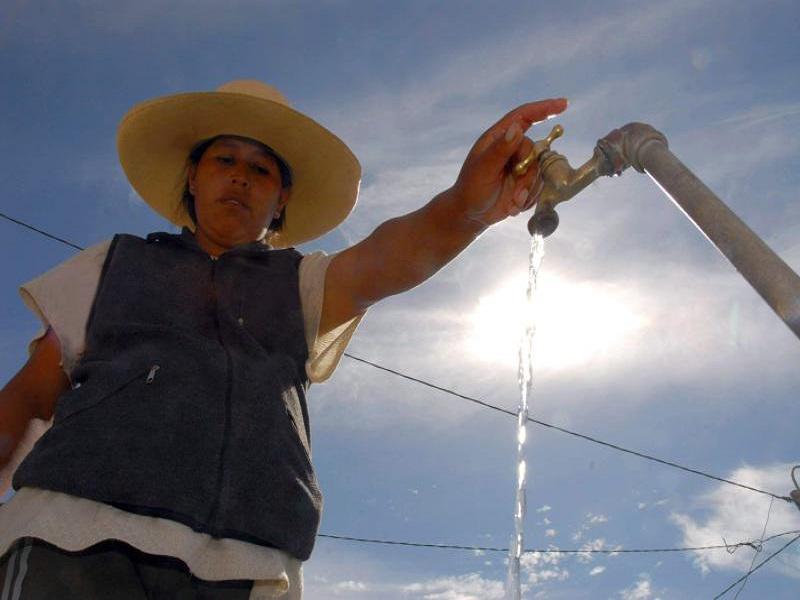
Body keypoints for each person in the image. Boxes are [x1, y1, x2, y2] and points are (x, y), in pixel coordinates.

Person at [0, 80, 566, 599]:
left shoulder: (301, 284)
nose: (241, 175)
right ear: (193, 179)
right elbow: (29, 395)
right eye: (224, 159)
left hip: (246, 563)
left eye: (262, 169)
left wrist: (464, 208)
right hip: (69, 536)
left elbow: (391, 258)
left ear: (281, 201)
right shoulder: (111, 263)